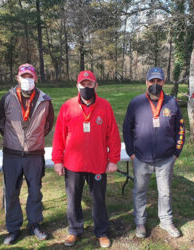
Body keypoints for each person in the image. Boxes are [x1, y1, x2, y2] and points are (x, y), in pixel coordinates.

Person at [52, 70, 121, 248]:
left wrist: (113, 159)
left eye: (90, 84)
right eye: (83, 84)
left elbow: (113, 135)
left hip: (98, 162)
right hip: (73, 163)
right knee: (73, 198)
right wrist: (58, 160)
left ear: (96, 85)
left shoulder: (105, 106)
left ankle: (101, 232)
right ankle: (74, 230)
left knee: (98, 199)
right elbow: (59, 136)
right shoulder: (68, 106)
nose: (86, 87)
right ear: (77, 86)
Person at [123, 67, 185, 239]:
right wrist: (131, 153)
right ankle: (140, 221)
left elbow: (180, 128)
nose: (155, 84)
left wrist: (176, 153)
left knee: (165, 192)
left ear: (164, 82)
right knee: (139, 191)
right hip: (141, 158)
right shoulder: (136, 103)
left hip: (166, 158)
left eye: (159, 81)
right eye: (152, 81)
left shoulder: (172, 103)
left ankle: (166, 221)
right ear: (146, 82)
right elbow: (127, 129)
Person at [0, 63, 54, 245]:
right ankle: (13, 229)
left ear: (35, 78)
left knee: (35, 191)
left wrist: (33, 139)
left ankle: (35, 224)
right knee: (11, 192)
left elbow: (48, 125)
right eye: (24, 76)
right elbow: (0, 123)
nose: (27, 80)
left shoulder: (45, 100)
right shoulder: (7, 98)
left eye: (30, 77)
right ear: (17, 78)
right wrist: (15, 141)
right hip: (12, 155)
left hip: (34, 155)